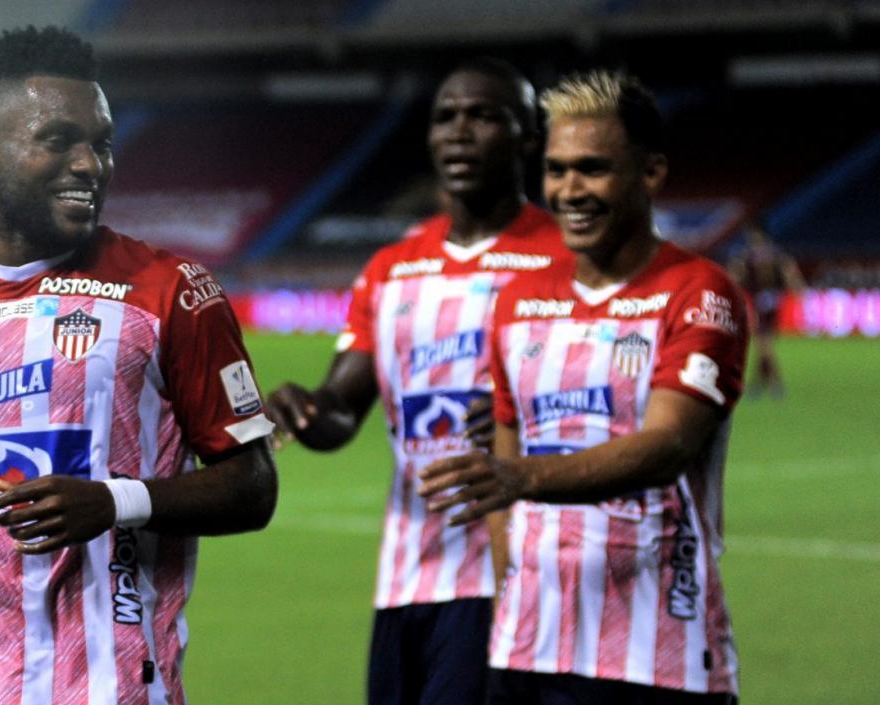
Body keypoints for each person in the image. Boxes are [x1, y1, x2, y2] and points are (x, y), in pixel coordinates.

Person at [0, 26, 277, 705]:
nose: (91, 164)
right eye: (58, 140)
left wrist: (117, 501)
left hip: (112, 684)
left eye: (102, 142)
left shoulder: (172, 291)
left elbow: (253, 484)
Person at [419, 70, 747, 704]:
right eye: (558, 170)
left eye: (593, 169)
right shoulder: (519, 302)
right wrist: (504, 603)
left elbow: (669, 445)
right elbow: (500, 484)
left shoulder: (699, 293)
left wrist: (524, 478)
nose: (570, 190)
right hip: (526, 650)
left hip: (659, 655)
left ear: (650, 174)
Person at [265, 58, 564, 705]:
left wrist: (528, 416)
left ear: (528, 139)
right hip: (405, 575)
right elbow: (343, 409)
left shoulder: (563, 257)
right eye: (446, 117)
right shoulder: (393, 266)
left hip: (514, 573)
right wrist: (306, 409)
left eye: (485, 116)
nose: (460, 132)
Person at [729, 222, 804, 397]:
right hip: (772, 303)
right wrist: (798, 289)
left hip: (761, 304)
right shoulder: (777, 254)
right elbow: (791, 275)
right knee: (763, 346)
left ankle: (777, 385)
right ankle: (757, 384)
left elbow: (735, 276)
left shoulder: (747, 255)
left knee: (764, 347)